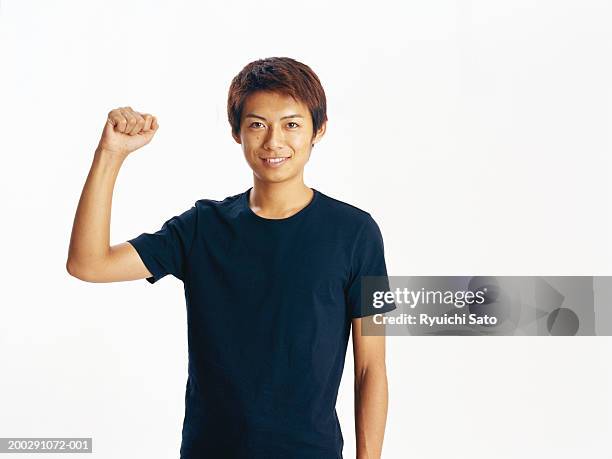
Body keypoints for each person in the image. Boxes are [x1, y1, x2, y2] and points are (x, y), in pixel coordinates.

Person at [66, 56, 396, 459]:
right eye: (257, 124)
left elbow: (371, 368)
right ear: (236, 133)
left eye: (291, 124)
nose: (274, 141)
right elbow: (88, 263)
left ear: (318, 130)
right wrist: (110, 154)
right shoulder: (202, 227)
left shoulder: (358, 233)